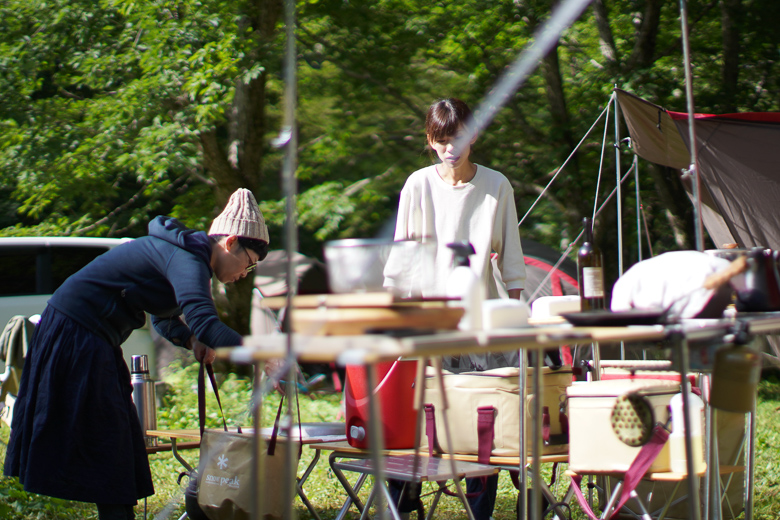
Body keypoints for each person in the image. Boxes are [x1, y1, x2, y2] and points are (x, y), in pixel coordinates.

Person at [4, 188, 269, 520]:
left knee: (121, 446)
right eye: (249, 263)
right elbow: (205, 320)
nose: (245, 273)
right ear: (230, 243)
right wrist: (264, 353)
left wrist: (191, 341)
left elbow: (163, 317)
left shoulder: (183, 257)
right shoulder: (187, 259)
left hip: (93, 339)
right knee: (110, 444)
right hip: (76, 336)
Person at [385, 98, 526, 519]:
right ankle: (402, 505)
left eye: (459, 138)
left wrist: (513, 320)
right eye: (442, 140)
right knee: (415, 415)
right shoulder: (418, 185)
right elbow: (401, 258)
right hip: (429, 320)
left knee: (484, 421)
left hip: (482, 320)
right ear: (431, 142)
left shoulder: (497, 185)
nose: (451, 148)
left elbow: (513, 260)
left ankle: (479, 510)